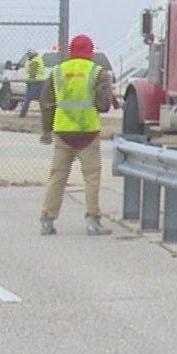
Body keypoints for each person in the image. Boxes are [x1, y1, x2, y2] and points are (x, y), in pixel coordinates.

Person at [38, 34, 114, 236]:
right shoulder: (98, 73)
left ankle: (47, 218)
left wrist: (46, 130)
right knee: (91, 178)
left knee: (58, 176)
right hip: (88, 132)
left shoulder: (57, 72)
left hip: (63, 131)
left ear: (71, 51)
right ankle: (92, 221)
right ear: (90, 51)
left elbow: (46, 104)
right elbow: (103, 105)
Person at [18, 49, 46, 119]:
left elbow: (33, 73)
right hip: (36, 81)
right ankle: (45, 114)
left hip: (34, 81)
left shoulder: (35, 61)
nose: (28, 55)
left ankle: (22, 114)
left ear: (33, 54)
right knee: (40, 98)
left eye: (29, 54)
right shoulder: (34, 60)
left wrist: (30, 79)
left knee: (28, 98)